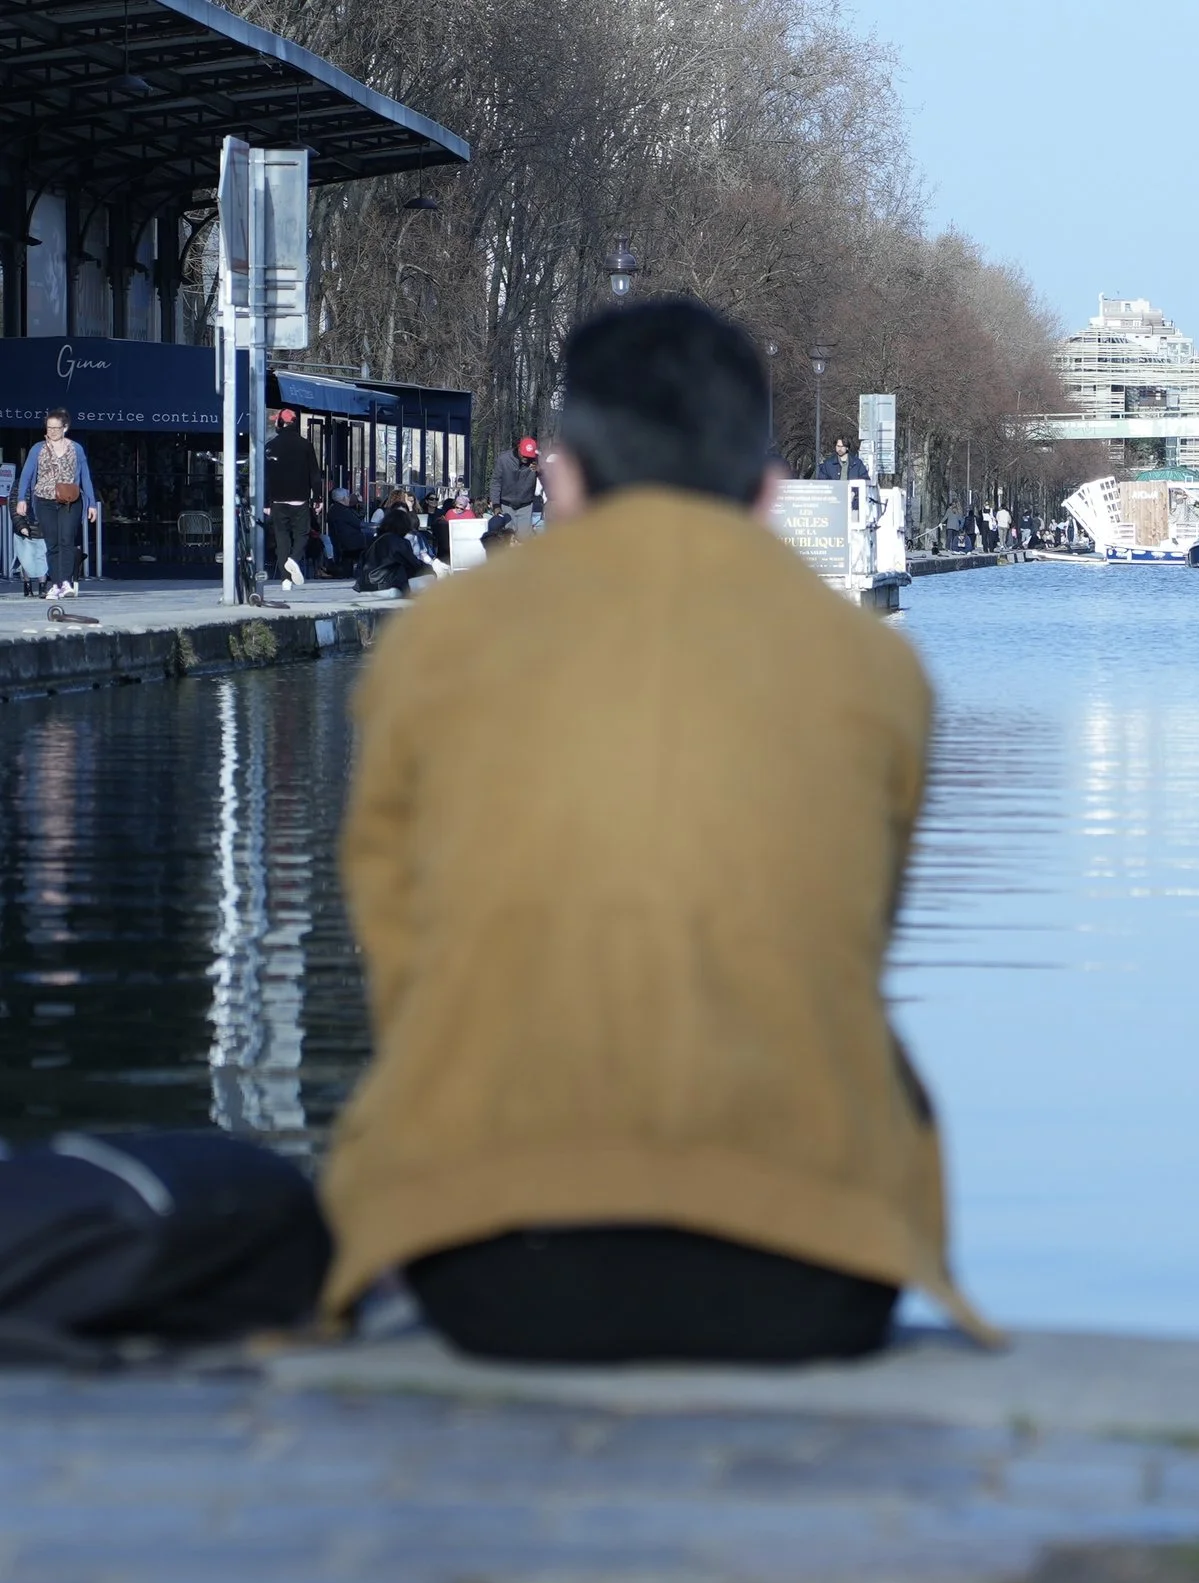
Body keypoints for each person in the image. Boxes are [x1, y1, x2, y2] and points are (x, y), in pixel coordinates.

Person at [320, 295, 995, 1365]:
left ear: (567, 472)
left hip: (497, 1264)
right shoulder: (871, 664)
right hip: (814, 1269)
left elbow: (399, 952)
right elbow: (852, 937)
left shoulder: (436, 641)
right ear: (769, 491)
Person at [13, 409, 97, 601]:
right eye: (49, 427)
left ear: (65, 428)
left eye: (56, 428)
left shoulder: (76, 449)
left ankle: (65, 583)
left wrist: (92, 503)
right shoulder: (38, 449)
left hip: (70, 500)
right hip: (44, 500)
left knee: (66, 539)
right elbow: (26, 475)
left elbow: (85, 476)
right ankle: (56, 584)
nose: (52, 431)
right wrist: (21, 500)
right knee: (52, 543)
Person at [263, 408, 321, 591]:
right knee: (302, 534)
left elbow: (266, 477)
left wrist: (266, 502)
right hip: (300, 499)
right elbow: (315, 474)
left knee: (282, 540)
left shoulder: (270, 446)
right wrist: (318, 498)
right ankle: (293, 559)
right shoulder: (305, 445)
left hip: (278, 500)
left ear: (280, 422)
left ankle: (285, 580)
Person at [491, 437, 544, 534]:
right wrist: (496, 505)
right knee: (507, 536)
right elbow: (496, 482)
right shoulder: (504, 459)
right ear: (518, 448)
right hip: (506, 504)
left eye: (529, 456)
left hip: (526, 505)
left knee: (524, 539)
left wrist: (540, 471)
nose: (526, 458)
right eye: (524, 455)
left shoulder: (537, 460)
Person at [326, 488, 372, 579]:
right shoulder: (343, 511)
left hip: (342, 541)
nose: (349, 499)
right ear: (343, 499)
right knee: (374, 540)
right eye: (348, 497)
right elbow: (359, 523)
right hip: (351, 542)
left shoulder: (335, 509)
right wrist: (376, 526)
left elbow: (358, 517)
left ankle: (349, 572)